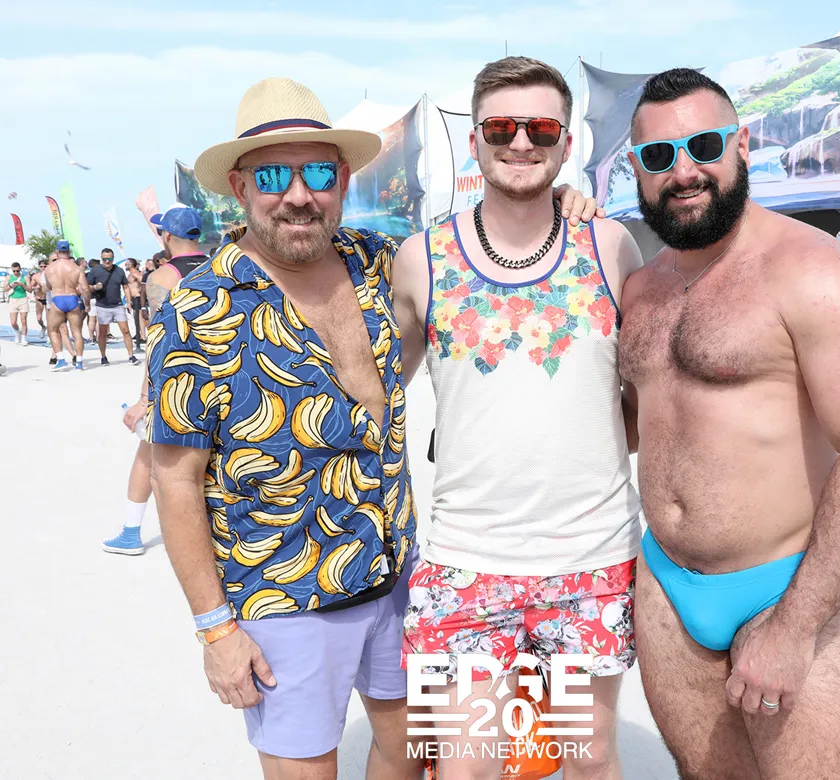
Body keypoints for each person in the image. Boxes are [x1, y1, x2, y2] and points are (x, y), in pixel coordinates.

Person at [145, 76, 599, 779]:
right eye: (273, 175)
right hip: (283, 595)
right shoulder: (198, 311)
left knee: (410, 753)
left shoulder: (376, 262)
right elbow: (175, 483)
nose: (299, 195)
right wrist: (216, 630)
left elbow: (480, 248)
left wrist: (555, 201)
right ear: (239, 187)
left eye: (318, 173)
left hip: (397, 574)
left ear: (344, 179)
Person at [619, 69, 840, 780]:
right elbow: (636, 423)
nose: (684, 172)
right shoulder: (642, 288)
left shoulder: (812, 271)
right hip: (666, 588)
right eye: (659, 155)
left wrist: (796, 624)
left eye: (704, 146)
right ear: (636, 168)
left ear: (743, 144)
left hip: (783, 587)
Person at [393, 56, 638, 780]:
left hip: (591, 561)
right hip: (467, 560)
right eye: (501, 127)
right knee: (467, 766)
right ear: (475, 141)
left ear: (567, 144)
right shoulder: (420, 259)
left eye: (541, 129)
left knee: (587, 758)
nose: (521, 142)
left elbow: (651, 392)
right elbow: (374, 391)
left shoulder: (611, 246)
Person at [104, 206, 211, 556]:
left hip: (180, 380)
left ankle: (131, 532)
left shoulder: (162, 278)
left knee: (149, 454)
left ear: (166, 236)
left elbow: (159, 342)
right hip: (225, 375)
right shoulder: (222, 265)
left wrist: (144, 399)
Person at [86, 248, 139, 366]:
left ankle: (131, 356)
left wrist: (129, 302)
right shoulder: (95, 271)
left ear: (113, 258)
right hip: (102, 305)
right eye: (105, 259)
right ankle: (103, 356)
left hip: (117, 305)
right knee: (102, 333)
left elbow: (125, 287)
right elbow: (87, 287)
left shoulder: (119, 270)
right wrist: (95, 287)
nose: (107, 261)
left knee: (125, 331)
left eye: (109, 259)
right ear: (101, 259)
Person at [45, 240, 90, 371]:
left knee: (53, 331)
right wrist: (87, 304)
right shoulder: (76, 268)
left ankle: (61, 359)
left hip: (58, 298)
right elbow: (85, 289)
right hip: (72, 298)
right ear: (69, 252)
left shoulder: (49, 268)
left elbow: (47, 287)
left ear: (57, 252)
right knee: (77, 332)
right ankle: (79, 362)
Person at [3, 261, 30, 346]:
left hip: (23, 299)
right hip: (13, 300)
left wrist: (22, 285)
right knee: (13, 322)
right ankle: (17, 332)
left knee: (23, 320)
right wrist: (11, 285)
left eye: (17, 271)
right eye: (14, 271)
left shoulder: (25, 278)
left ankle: (24, 338)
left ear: (20, 269)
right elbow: (4, 289)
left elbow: (30, 290)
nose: (15, 272)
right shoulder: (8, 277)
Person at [125, 258, 145, 349]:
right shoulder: (130, 274)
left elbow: (143, 281)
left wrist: (141, 292)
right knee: (136, 317)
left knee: (139, 317)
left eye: (127, 264)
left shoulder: (135, 273)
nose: (125, 265)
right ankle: (140, 335)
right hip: (133, 298)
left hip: (137, 297)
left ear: (131, 265)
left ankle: (143, 336)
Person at [30, 257, 50, 346]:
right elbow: (30, 287)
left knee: (49, 319)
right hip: (39, 298)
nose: (43, 268)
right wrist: (36, 287)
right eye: (41, 266)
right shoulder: (35, 276)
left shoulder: (50, 275)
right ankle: (43, 327)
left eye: (45, 266)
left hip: (48, 298)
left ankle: (49, 335)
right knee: (39, 318)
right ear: (39, 267)